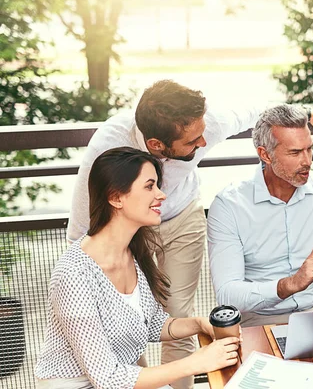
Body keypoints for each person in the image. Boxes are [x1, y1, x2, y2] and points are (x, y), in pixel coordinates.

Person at [65, 80, 313, 389]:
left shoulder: (204, 125)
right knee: (120, 322)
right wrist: (89, 269)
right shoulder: (109, 150)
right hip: (131, 228)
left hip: (182, 218)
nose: (203, 144)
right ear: (156, 145)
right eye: (193, 142)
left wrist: (310, 112)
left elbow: (255, 112)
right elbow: (82, 225)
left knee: (177, 314)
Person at [35, 147, 240, 389]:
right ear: (116, 198)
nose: (161, 195)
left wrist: (198, 324)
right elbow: (107, 378)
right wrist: (196, 362)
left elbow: (151, 324)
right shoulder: (74, 276)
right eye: (149, 186)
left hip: (120, 377)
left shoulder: (130, 252)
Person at [207, 104, 313, 327]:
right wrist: (289, 284)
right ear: (265, 154)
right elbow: (228, 294)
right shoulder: (228, 205)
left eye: (309, 149)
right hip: (258, 318)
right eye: (295, 152)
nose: (307, 161)